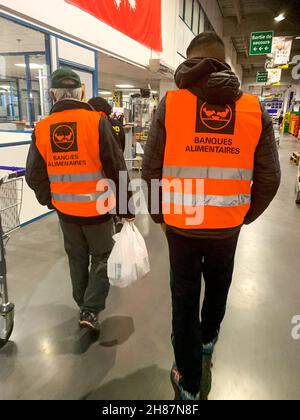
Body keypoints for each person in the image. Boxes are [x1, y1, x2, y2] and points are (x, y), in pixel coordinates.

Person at [142, 32, 281, 400]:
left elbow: (150, 169)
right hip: (226, 231)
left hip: (181, 229)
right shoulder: (254, 110)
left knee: (183, 300)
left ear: (189, 65)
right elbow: (270, 176)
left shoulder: (171, 104)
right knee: (219, 286)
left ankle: (188, 382)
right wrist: (243, 215)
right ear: (225, 64)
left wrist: (160, 215)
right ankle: (207, 341)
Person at [26, 67, 134, 332]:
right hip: (98, 210)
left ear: (52, 95)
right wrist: (126, 207)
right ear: (82, 93)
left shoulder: (42, 129)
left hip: (66, 213)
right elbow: (116, 167)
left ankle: (82, 303)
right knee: (102, 257)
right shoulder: (97, 122)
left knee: (76, 257)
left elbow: (33, 174)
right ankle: (90, 308)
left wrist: (51, 199)